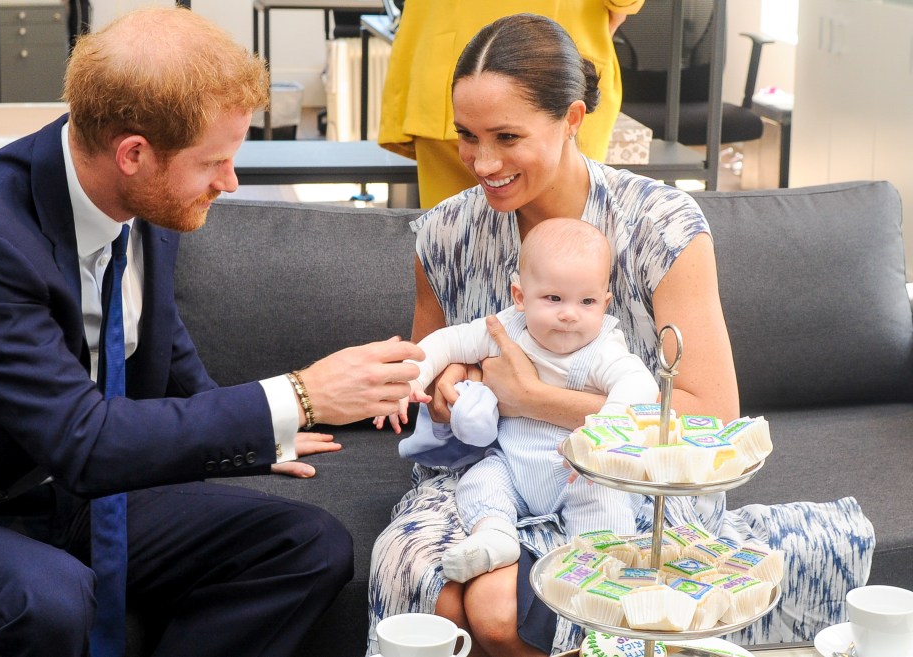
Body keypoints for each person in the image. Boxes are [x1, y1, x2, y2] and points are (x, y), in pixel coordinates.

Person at [367, 13, 874, 657]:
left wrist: (532, 398)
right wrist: (445, 389)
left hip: (629, 482)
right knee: (421, 578)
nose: (481, 161)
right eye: (467, 136)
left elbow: (708, 415)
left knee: (495, 610)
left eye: (506, 136)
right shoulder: (443, 233)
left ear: (573, 119)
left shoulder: (659, 224)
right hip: (488, 470)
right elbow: (431, 365)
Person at [0, 7, 422, 657]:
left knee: (309, 545)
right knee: (49, 598)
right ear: (135, 154)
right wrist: (299, 394)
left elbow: (157, 336)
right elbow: (83, 439)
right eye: (215, 164)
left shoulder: (148, 201)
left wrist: (259, 434)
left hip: (82, 491)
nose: (228, 183)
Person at [376, 219, 658, 583]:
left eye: (587, 301)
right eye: (553, 298)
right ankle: (495, 536)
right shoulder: (506, 328)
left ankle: (594, 565)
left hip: (578, 470)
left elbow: (639, 385)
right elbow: (448, 342)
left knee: (605, 497)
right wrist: (410, 379)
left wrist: (603, 435)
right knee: (480, 481)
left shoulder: (603, 348)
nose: (570, 313)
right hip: (512, 464)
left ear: (605, 303)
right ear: (520, 296)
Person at [377, 0, 644, 208]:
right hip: (556, 69)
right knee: (563, 250)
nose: (486, 164)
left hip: (443, 61)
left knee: (455, 248)